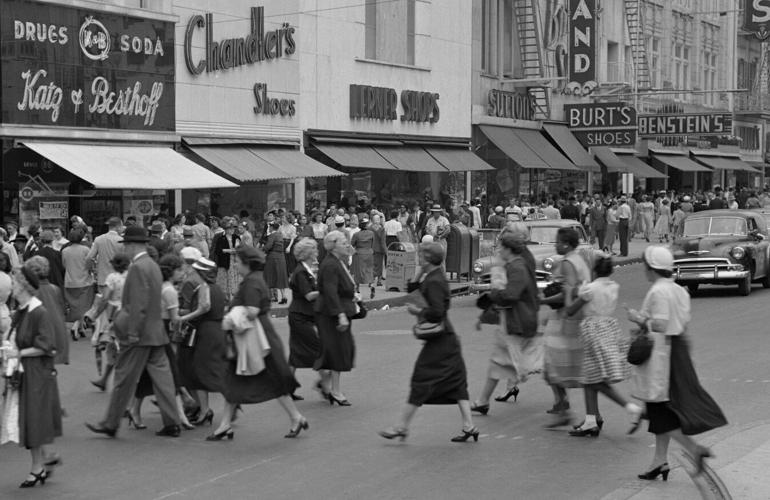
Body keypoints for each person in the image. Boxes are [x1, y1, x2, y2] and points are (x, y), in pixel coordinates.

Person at [627, 246, 727, 480]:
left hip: (662, 355)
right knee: (663, 408)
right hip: (676, 350)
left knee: (660, 411)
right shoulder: (678, 290)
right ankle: (659, 461)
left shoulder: (658, 291)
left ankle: (695, 450)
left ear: (651, 268)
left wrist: (638, 318)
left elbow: (660, 325)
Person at [85, 226, 181, 438]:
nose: (125, 249)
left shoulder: (138, 267)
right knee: (163, 379)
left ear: (131, 245)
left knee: (123, 378)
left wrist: (133, 333)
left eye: (125, 245)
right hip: (155, 331)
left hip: (140, 333)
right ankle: (172, 421)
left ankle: (110, 423)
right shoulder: (153, 265)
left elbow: (137, 304)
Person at [379, 242, 478, 443]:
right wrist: (419, 273)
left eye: (421, 256)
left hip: (440, 340)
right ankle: (469, 425)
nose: (418, 258)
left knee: (421, 380)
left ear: (429, 258)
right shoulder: (432, 276)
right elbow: (413, 290)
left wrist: (418, 312)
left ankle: (401, 426)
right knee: (456, 381)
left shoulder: (434, 281)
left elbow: (436, 312)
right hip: (447, 338)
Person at [206, 246, 307, 441]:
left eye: (238, 261)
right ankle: (225, 424)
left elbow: (251, 311)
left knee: (269, 380)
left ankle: (296, 417)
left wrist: (230, 317)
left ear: (247, 264)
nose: (235, 264)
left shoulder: (251, 282)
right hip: (252, 338)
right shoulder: (253, 280)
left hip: (255, 340)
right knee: (234, 380)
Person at [564, 256, 642, 437]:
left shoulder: (590, 289)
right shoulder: (613, 286)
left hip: (592, 331)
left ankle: (630, 408)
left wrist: (569, 292)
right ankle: (591, 419)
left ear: (595, 271)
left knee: (595, 378)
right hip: (609, 328)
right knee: (590, 376)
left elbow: (570, 310)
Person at [470, 225, 541, 416]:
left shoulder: (517, 266)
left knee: (533, 363)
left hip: (518, 320)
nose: (498, 250)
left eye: (501, 247)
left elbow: (511, 295)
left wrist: (493, 294)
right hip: (512, 320)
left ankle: (560, 391)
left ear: (509, 249)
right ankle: (483, 401)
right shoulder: (513, 264)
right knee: (499, 362)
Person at [2, 266, 62, 488]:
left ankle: (38, 468)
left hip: (37, 373)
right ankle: (43, 462)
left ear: (24, 287)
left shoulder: (38, 312)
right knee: (30, 421)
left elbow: (46, 345)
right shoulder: (22, 311)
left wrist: (18, 353)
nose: (12, 288)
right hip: (26, 372)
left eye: (15, 284)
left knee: (33, 421)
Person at [541, 227, 592, 426]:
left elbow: (568, 292)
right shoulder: (580, 259)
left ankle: (564, 408)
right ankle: (565, 405)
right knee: (566, 365)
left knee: (552, 364)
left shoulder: (568, 262)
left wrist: (543, 301)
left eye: (557, 241)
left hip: (567, 319)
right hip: (575, 317)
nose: (555, 245)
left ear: (566, 244)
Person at [177, 258, 227, 427]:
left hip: (207, 334)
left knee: (204, 372)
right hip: (216, 331)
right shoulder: (218, 289)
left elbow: (203, 308)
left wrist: (182, 317)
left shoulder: (204, 288)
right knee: (205, 372)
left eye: (197, 272)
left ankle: (208, 409)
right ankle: (205, 410)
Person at [314, 231, 358, 406]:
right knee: (337, 351)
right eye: (343, 242)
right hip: (330, 314)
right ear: (333, 246)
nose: (347, 245)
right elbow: (330, 292)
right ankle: (335, 390)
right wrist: (340, 314)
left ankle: (326, 384)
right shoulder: (331, 264)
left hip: (336, 311)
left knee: (339, 350)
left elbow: (341, 286)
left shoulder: (338, 261)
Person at [85, 253, 129, 391]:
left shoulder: (113, 278)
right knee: (116, 346)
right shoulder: (131, 277)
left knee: (113, 346)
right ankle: (105, 379)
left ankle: (114, 379)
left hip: (114, 313)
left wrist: (94, 314)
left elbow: (105, 298)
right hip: (129, 311)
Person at [288, 239, 323, 400]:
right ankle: (325, 385)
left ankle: (285, 388)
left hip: (302, 314)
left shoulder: (307, 270)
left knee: (295, 354)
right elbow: (309, 295)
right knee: (318, 349)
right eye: (314, 250)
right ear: (308, 254)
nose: (316, 253)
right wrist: (325, 289)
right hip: (300, 316)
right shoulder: (301, 272)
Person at [62, 228, 95, 341]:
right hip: (84, 281)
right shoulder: (85, 249)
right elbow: (89, 264)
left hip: (69, 282)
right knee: (84, 306)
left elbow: (64, 265)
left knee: (75, 307)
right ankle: (76, 326)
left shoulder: (65, 251)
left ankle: (80, 328)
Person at [212, 217, 241, 301]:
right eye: (230, 229)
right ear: (226, 229)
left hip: (234, 261)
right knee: (224, 280)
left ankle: (233, 297)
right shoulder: (221, 238)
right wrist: (229, 250)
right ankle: (225, 297)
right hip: (224, 262)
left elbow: (239, 248)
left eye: (233, 229)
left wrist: (234, 249)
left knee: (233, 279)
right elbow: (218, 250)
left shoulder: (236, 237)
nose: (232, 230)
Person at [263, 221, 289, 304]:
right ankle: (283, 296)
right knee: (281, 277)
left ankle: (270, 297)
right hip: (281, 257)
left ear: (271, 227)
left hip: (273, 258)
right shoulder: (280, 235)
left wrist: (263, 248)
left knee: (270, 276)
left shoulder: (272, 235)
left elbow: (268, 246)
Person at [351, 216, 376, 299]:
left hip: (359, 253)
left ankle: (357, 289)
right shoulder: (371, 233)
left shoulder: (356, 234)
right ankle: (371, 285)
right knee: (369, 270)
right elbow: (373, 243)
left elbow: (352, 244)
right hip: (369, 253)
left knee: (358, 272)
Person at [370, 213, 387, 287]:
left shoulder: (369, 228)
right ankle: (379, 281)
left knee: (372, 265)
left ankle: (371, 280)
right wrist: (386, 251)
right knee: (379, 265)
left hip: (371, 248)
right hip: (379, 249)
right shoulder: (381, 229)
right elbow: (382, 242)